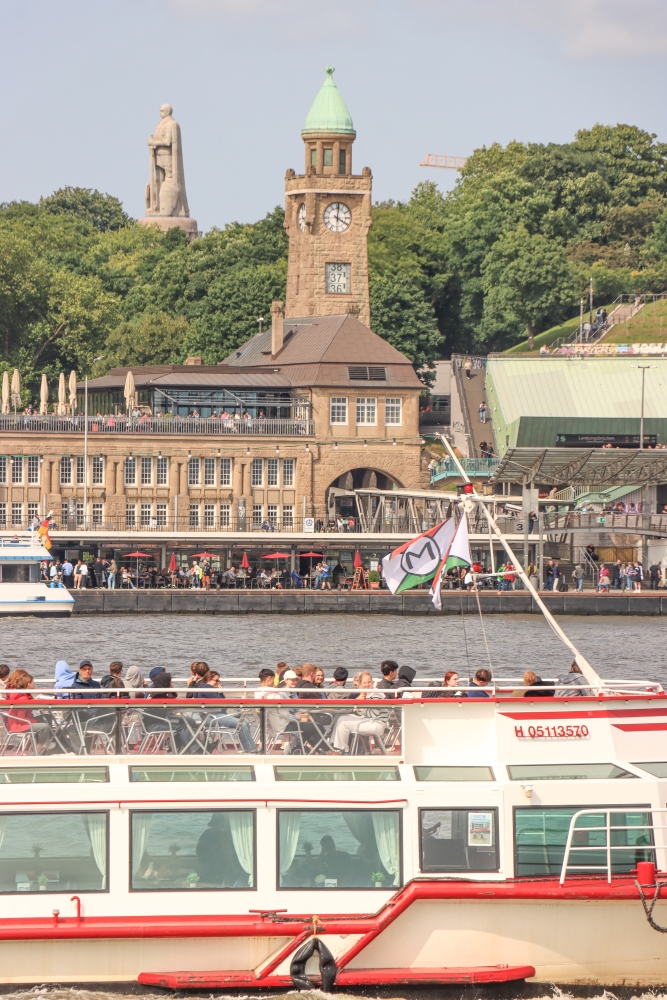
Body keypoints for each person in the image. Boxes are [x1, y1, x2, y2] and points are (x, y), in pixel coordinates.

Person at [330, 672, 389, 753]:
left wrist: (360, 707)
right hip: (369, 720)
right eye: (364, 682)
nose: (367, 684)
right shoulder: (365, 694)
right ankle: (335, 747)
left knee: (343, 722)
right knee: (340, 717)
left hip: (377, 724)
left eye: (369, 682)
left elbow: (374, 714)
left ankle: (343, 751)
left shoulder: (376, 693)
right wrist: (358, 702)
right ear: (360, 684)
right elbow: (360, 712)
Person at [4, 670, 56, 753]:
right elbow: (21, 718)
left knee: (47, 717)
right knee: (44, 726)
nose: (34, 684)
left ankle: (42, 744)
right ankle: (41, 745)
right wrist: (34, 721)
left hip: (17, 723)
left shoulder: (20, 695)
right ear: (28, 684)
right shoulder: (23, 698)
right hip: (19, 725)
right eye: (33, 682)